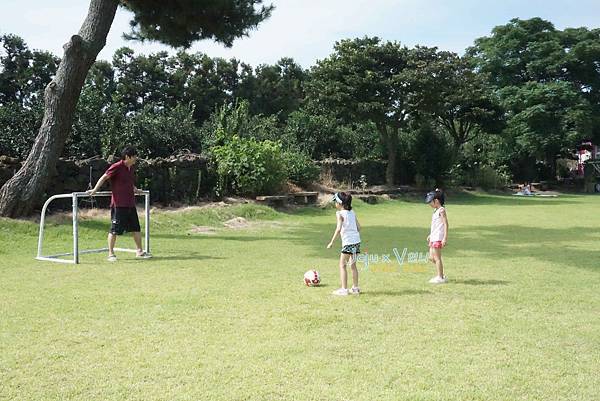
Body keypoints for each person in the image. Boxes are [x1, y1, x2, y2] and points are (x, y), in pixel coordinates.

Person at [87, 146, 151, 262]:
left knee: (136, 228)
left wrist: (135, 189)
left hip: (130, 204)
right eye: (134, 156)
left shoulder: (131, 168)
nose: (136, 158)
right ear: (127, 156)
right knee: (114, 230)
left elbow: (128, 182)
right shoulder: (117, 166)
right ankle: (111, 254)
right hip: (119, 205)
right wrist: (94, 190)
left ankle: (139, 251)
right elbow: (104, 177)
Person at [327, 192, 361, 296]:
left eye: (335, 202)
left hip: (348, 243)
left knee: (342, 265)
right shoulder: (352, 212)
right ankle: (355, 288)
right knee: (353, 265)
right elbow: (359, 227)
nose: (335, 204)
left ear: (340, 203)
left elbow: (338, 229)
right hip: (357, 242)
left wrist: (331, 242)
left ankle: (344, 289)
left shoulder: (339, 214)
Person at [425, 189, 448, 284]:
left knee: (437, 258)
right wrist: (430, 235)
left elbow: (446, 224)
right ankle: (441, 273)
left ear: (436, 201)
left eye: (431, 202)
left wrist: (444, 238)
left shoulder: (441, 210)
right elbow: (435, 225)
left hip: (438, 238)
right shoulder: (435, 211)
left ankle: (440, 277)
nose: (430, 204)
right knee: (431, 257)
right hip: (434, 237)